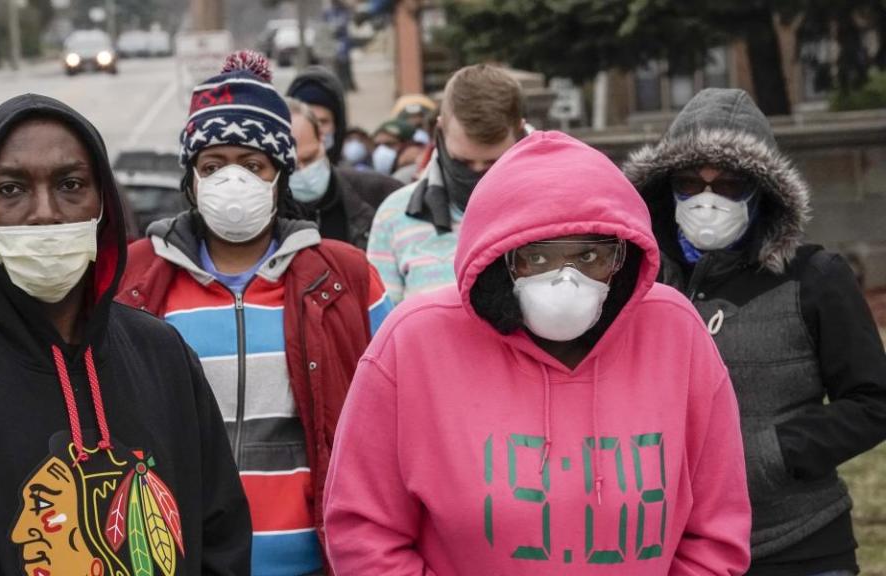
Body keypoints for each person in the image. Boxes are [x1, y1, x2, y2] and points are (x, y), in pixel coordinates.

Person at [324, 130, 752, 574]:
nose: (566, 278)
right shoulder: (414, 343)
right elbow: (364, 531)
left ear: (621, 260)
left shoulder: (675, 334)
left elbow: (716, 531)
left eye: (590, 257)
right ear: (498, 260)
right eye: (538, 257)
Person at [0, 94, 252, 574]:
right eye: (12, 189)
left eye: (71, 184)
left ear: (104, 204)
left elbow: (220, 536)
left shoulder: (162, 356)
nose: (45, 213)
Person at [117, 51, 393, 576]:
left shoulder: (345, 279)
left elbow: (397, 414)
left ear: (279, 174)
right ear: (192, 177)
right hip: (174, 560)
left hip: (314, 562)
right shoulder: (135, 280)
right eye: (213, 165)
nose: (232, 180)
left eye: (253, 164)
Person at [623, 87, 886, 575]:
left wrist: (772, 453)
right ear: (666, 188)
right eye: (689, 182)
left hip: (799, 544)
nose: (706, 199)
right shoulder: (640, 281)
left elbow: (874, 400)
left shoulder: (814, 277)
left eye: (727, 185)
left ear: (762, 190)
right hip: (673, 549)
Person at [368, 64, 526, 304]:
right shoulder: (394, 216)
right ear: (440, 132)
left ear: (520, 134)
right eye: (462, 161)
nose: (476, 173)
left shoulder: (559, 212)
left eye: (492, 163)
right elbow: (384, 331)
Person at [287, 98, 399, 249]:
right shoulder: (269, 219)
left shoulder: (382, 192)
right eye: (291, 166)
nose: (303, 172)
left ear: (322, 138)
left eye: (309, 158)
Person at [288, 65, 400, 210]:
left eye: (323, 122)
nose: (318, 132)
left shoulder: (372, 191)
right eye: (309, 122)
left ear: (338, 125)